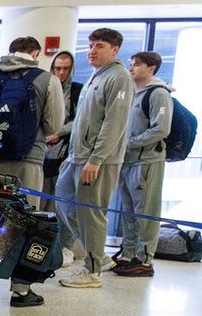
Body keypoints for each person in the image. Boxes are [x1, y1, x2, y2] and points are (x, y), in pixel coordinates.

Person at [0, 36, 64, 307]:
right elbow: (54, 124)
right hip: (28, 160)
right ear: (36, 53)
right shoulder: (47, 80)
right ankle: (21, 290)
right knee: (27, 223)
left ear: (10, 52)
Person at [54, 28, 135, 288]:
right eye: (90, 45)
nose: (92, 50)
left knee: (92, 214)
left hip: (98, 160)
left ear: (114, 50)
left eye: (99, 46)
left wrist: (96, 159)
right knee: (63, 200)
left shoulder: (119, 78)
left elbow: (114, 124)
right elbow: (82, 122)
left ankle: (93, 270)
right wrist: (72, 154)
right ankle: (98, 254)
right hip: (78, 157)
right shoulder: (95, 77)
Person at [112, 51, 173, 277]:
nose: (132, 68)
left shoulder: (158, 94)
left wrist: (131, 143)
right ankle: (129, 253)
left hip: (147, 160)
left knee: (146, 211)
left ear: (151, 68)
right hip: (128, 160)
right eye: (131, 64)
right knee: (128, 210)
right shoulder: (133, 94)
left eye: (137, 65)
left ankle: (145, 258)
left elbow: (161, 128)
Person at [43, 50, 83, 212]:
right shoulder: (44, 87)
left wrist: (58, 133)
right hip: (43, 150)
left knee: (58, 203)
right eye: (58, 68)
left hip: (66, 151)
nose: (61, 72)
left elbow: (80, 119)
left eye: (65, 69)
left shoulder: (77, 91)